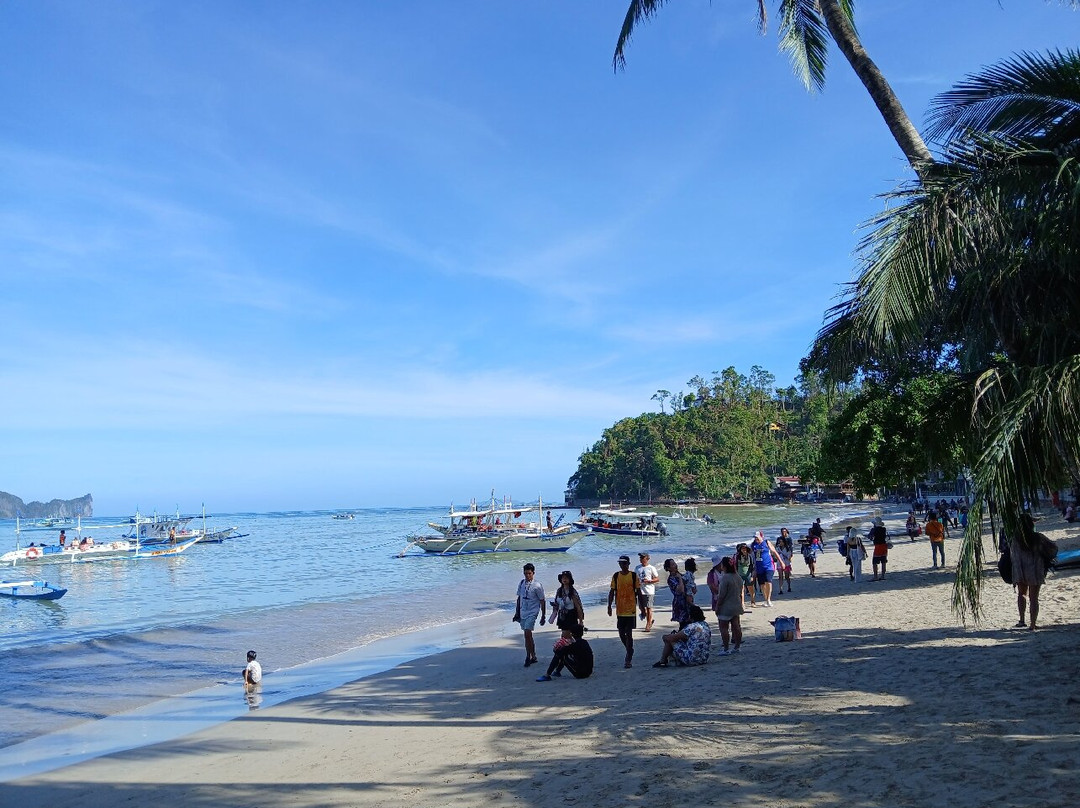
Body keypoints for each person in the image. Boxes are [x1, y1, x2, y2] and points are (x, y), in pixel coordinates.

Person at [1011, 513, 1056, 630]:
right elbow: (1053, 549)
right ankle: (1032, 624)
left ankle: (1021, 620)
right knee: (1034, 598)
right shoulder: (1038, 538)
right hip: (1035, 570)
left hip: (1020, 570)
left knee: (1021, 594)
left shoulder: (1015, 539)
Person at [607, 555, 640, 668]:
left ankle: (628, 658)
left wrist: (642, 607)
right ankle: (629, 649)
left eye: (624, 563)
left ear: (628, 564)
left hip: (630, 609)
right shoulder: (616, 576)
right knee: (621, 633)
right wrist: (609, 606)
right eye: (620, 563)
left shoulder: (633, 576)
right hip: (620, 610)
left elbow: (639, 592)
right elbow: (612, 591)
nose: (622, 565)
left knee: (629, 633)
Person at [514, 563, 546, 667]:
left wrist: (543, 615)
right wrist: (517, 613)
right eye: (525, 573)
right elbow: (519, 598)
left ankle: (528, 656)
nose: (527, 576)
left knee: (528, 633)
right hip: (523, 611)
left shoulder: (537, 586)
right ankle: (533, 656)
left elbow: (542, 600)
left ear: (533, 573)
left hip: (533, 612)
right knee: (527, 636)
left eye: (529, 573)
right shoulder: (521, 583)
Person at [712, 557, 744, 655]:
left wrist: (718, 606)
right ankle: (737, 647)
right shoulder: (737, 576)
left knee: (724, 628)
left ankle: (726, 648)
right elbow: (741, 590)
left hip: (726, 607)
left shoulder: (725, 578)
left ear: (724, 566)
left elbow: (721, 595)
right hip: (736, 605)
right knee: (736, 627)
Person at [749, 530, 782, 607]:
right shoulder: (753, 545)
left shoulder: (766, 542)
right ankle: (765, 599)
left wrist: (781, 562)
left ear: (761, 537)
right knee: (762, 584)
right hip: (758, 567)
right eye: (755, 538)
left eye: (757, 537)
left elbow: (774, 552)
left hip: (768, 566)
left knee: (768, 581)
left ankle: (768, 599)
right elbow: (750, 555)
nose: (756, 539)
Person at [634, 552, 660, 631]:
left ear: (647, 559)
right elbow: (634, 579)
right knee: (641, 607)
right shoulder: (637, 568)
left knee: (649, 607)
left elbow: (657, 579)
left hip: (649, 590)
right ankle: (646, 616)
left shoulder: (651, 568)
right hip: (640, 590)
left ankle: (648, 624)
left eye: (642, 557)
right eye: (640, 558)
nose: (641, 559)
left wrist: (649, 581)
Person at [663, 558, 688, 625]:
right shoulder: (671, 579)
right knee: (683, 623)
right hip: (680, 603)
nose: (675, 565)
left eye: (675, 563)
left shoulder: (681, 575)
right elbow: (680, 590)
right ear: (669, 568)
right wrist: (680, 578)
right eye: (673, 564)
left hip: (687, 600)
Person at [735, 544, 756, 608]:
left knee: (751, 588)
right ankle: (742, 603)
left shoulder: (750, 556)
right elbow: (735, 566)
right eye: (742, 548)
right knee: (741, 590)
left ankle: (752, 601)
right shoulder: (737, 556)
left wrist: (752, 575)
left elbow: (752, 566)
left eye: (745, 548)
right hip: (740, 575)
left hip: (748, 575)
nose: (744, 550)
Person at [775, 529, 794, 593]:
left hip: (786, 563)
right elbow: (775, 554)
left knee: (787, 576)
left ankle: (789, 587)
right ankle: (781, 589)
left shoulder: (787, 548)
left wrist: (790, 556)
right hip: (779, 563)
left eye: (781, 542)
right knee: (780, 576)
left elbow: (790, 552)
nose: (780, 543)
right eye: (779, 542)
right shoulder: (777, 548)